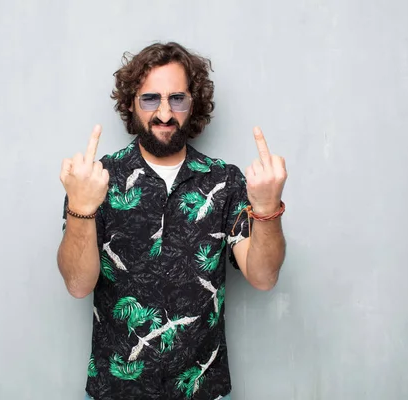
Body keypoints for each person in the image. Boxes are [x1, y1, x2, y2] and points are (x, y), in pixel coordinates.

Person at [57, 42, 287, 400]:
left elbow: (263, 276)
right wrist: (81, 208)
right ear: (131, 102)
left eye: (177, 99)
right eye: (150, 99)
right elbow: (77, 284)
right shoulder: (96, 180)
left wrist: (268, 209)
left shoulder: (224, 181)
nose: (164, 113)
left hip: (203, 390)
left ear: (193, 103)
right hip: (115, 390)